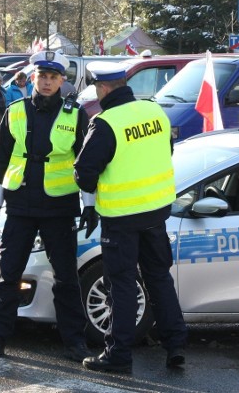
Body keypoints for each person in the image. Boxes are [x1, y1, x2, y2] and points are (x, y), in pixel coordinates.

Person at [0, 50, 93, 363]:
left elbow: (86, 164)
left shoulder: (76, 114)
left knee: (67, 277)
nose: (46, 81)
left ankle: (74, 342)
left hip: (59, 208)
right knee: (8, 276)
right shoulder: (14, 111)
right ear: (33, 77)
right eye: (42, 76)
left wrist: (90, 206)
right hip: (20, 206)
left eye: (53, 77)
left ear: (62, 81)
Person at [74, 60, 187, 373]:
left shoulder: (105, 122)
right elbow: (167, 151)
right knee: (158, 277)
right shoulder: (154, 111)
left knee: (121, 286)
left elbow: (84, 175)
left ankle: (118, 355)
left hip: (122, 217)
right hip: (156, 212)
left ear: (103, 88)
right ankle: (175, 343)